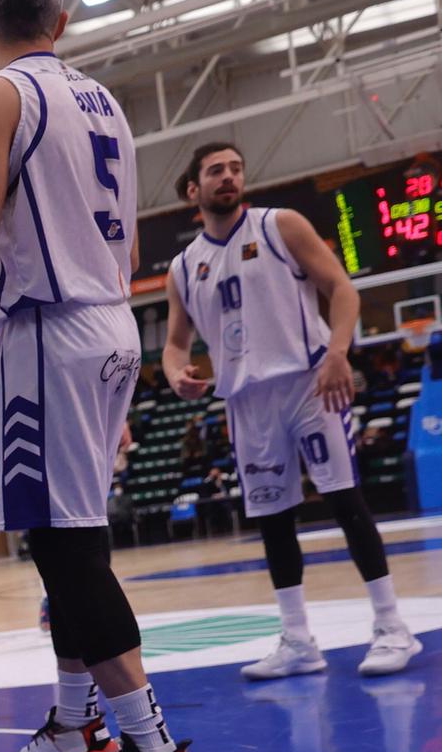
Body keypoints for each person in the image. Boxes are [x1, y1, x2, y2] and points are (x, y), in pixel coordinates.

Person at [0, 0, 203, 752]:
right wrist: (4, 327)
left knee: (66, 553)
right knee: (72, 544)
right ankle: (79, 729)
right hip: (105, 323)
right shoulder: (103, 101)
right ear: (61, 23)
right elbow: (96, 243)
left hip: (59, 335)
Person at [164, 141, 419, 679]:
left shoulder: (280, 225)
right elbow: (175, 343)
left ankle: (393, 626)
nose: (229, 177)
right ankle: (298, 640)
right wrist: (174, 372)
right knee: (273, 521)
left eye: (236, 167)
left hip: (309, 382)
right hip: (244, 399)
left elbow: (341, 289)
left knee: (345, 501)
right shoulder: (184, 268)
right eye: (215, 171)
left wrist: (338, 353)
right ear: (193, 189)